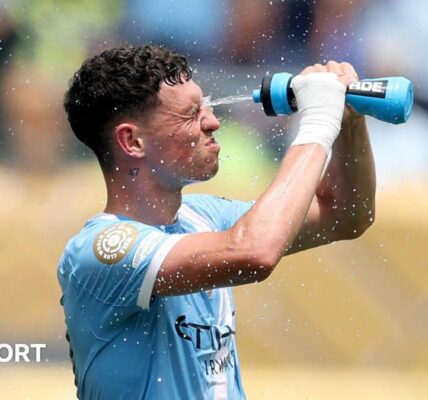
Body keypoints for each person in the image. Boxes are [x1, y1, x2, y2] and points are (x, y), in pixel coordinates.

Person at [58, 45, 375, 399]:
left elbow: (344, 214)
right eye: (191, 114)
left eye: (206, 105)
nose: (213, 121)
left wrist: (347, 121)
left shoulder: (203, 216)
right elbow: (255, 252)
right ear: (132, 141)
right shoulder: (102, 251)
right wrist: (318, 123)